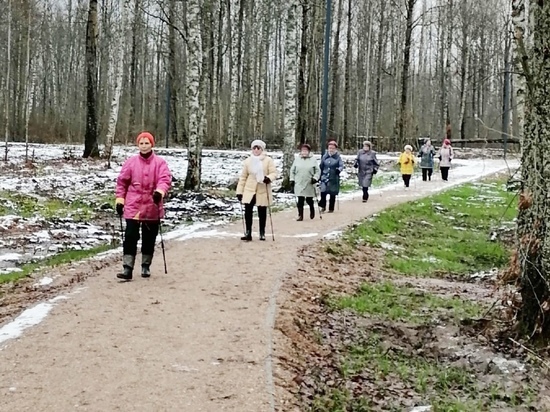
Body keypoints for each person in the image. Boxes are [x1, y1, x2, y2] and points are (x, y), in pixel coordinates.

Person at [115, 132, 172, 281]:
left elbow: (165, 179)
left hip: (152, 204)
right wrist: (120, 200)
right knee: (130, 236)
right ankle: (127, 268)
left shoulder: (160, 163)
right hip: (134, 205)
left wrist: (160, 192)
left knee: (149, 237)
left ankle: (146, 265)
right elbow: (122, 183)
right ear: (138, 145)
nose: (144, 146)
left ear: (152, 144)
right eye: (141, 143)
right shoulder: (131, 162)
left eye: (147, 143)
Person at [236, 139, 277, 241]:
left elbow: (274, 173)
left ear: (262, 149)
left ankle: (262, 232)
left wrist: (269, 178)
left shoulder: (268, 160)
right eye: (254, 148)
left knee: (262, 211)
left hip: (262, 188)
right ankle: (248, 232)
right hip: (249, 189)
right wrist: (239, 192)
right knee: (248, 211)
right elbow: (243, 177)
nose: (256, 150)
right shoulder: (248, 161)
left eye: (258, 148)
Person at [290, 143, 320, 221]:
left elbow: (317, 171)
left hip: (309, 182)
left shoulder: (313, 160)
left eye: (306, 151)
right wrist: (292, 180)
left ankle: (312, 208)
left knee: (309, 199)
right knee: (300, 200)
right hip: (299, 182)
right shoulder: (297, 160)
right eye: (302, 151)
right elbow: (292, 171)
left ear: (309, 152)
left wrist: (315, 178)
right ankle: (300, 215)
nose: (304, 152)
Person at [318, 140, 344, 213]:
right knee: (323, 192)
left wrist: (339, 170)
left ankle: (331, 208)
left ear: (335, 149)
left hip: (333, 177)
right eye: (330, 148)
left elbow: (341, 165)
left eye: (333, 148)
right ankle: (323, 206)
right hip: (325, 177)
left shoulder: (338, 157)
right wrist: (319, 175)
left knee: (332, 193)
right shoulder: (325, 156)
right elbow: (321, 166)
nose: (331, 150)